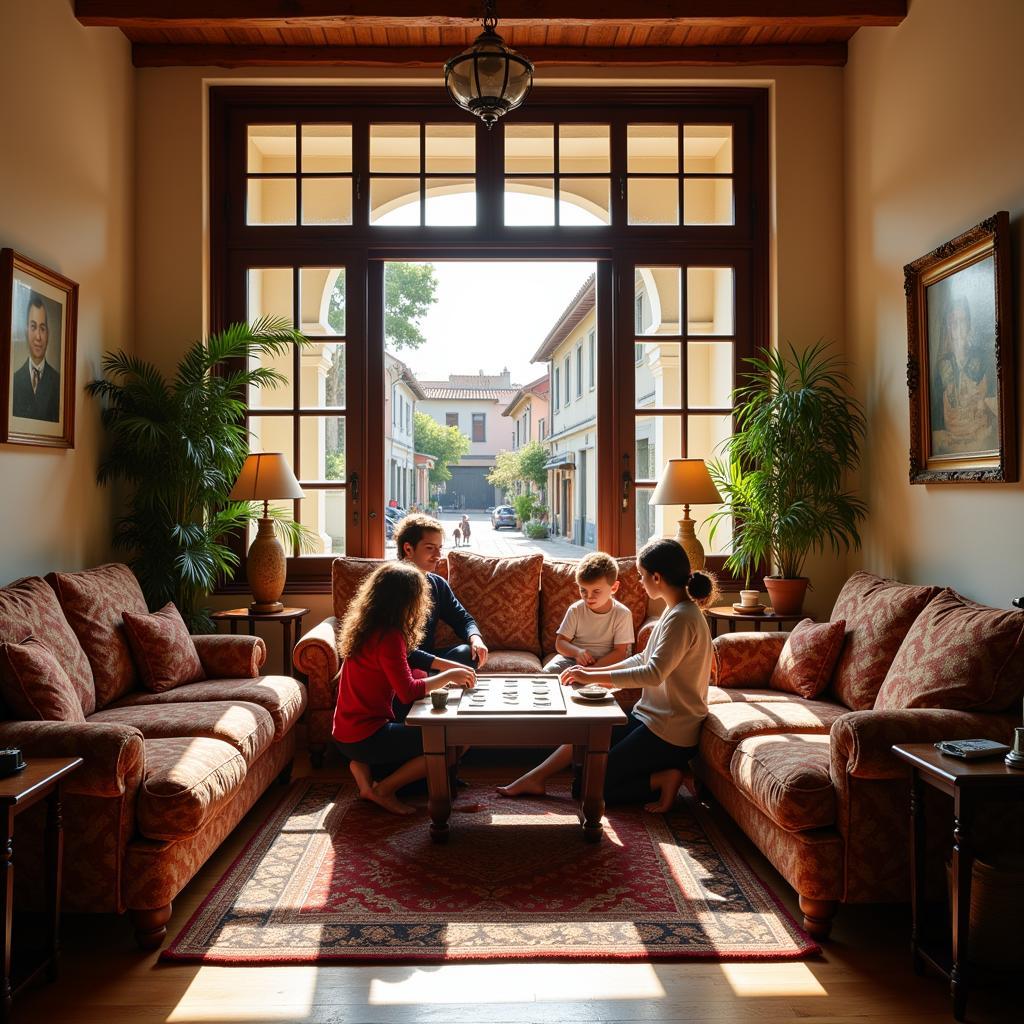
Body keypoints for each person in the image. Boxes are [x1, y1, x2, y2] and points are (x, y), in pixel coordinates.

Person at [498, 538, 715, 813]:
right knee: (588, 733)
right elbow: (641, 658)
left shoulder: (683, 618)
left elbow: (653, 673)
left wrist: (592, 678)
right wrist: (593, 672)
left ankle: (664, 778)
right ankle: (536, 777)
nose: (639, 581)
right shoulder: (674, 613)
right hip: (651, 719)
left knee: (585, 788)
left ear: (656, 577)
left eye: (641, 575)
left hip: (671, 733)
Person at [332, 561, 476, 815]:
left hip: (344, 734)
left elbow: (406, 659)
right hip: (367, 736)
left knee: (419, 731)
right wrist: (449, 675)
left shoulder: (366, 628)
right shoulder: (390, 637)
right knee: (455, 740)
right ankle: (384, 789)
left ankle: (364, 777)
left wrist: (440, 667)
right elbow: (408, 691)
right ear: (407, 602)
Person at [393, 512, 489, 672]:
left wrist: (476, 639)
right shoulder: (390, 584)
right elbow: (397, 649)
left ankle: (428, 680)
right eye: (430, 548)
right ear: (408, 549)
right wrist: (451, 668)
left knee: (467, 654)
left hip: (427, 661)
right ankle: (425, 681)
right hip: (396, 663)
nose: (438, 556)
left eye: (439, 548)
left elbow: (463, 619)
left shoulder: (437, 584)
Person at [542, 552, 634, 673]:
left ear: (614, 588)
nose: (588, 597)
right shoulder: (576, 610)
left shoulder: (622, 614)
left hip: (607, 663)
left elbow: (620, 652)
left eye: (596, 591)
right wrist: (577, 653)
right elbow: (560, 643)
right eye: (583, 590)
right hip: (574, 660)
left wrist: (591, 671)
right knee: (548, 672)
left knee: (620, 673)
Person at [12, 292, 60, 422]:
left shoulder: (59, 382)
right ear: (26, 331)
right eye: (33, 327)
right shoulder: (14, 382)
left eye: (42, 328)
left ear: (48, 334)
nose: (38, 337)